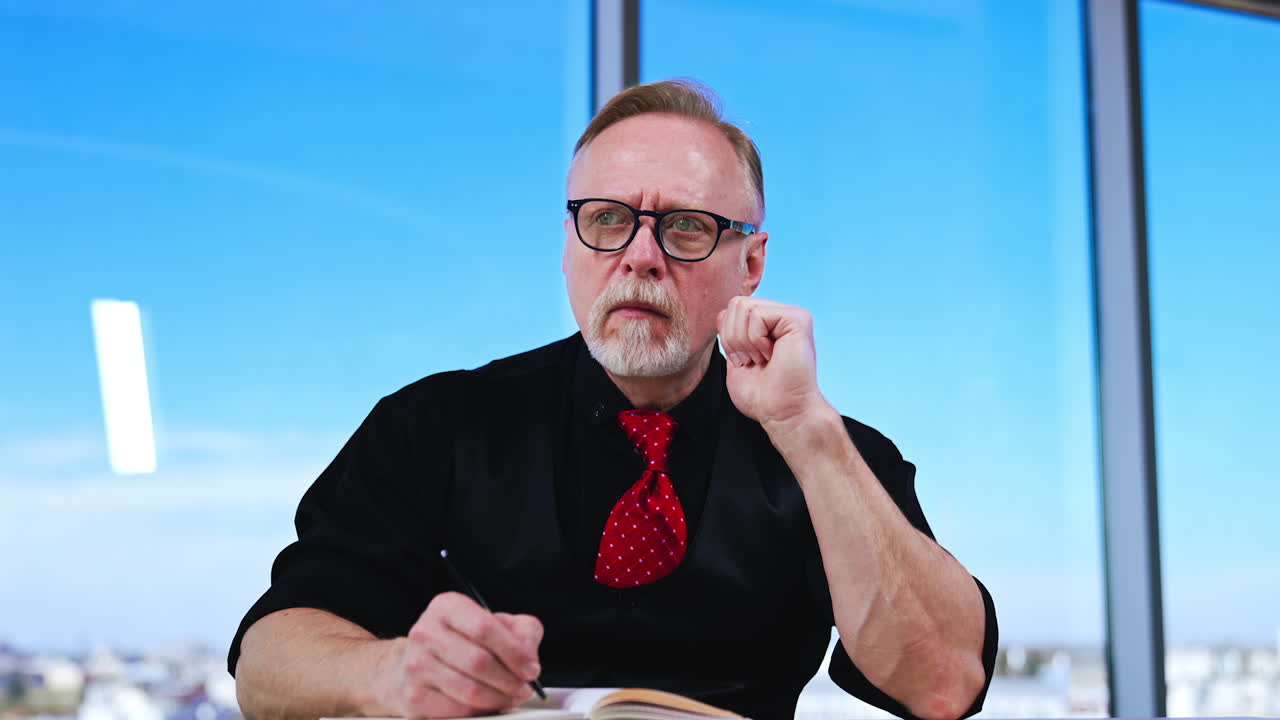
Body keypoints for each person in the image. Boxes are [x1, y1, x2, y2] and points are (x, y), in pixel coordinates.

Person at [230, 79, 997, 720]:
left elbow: (942, 684)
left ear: (752, 263)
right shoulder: (434, 425)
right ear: (567, 250)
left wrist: (808, 433)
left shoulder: (833, 449)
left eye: (687, 228)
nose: (640, 258)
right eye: (607, 220)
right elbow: (265, 664)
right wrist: (390, 674)